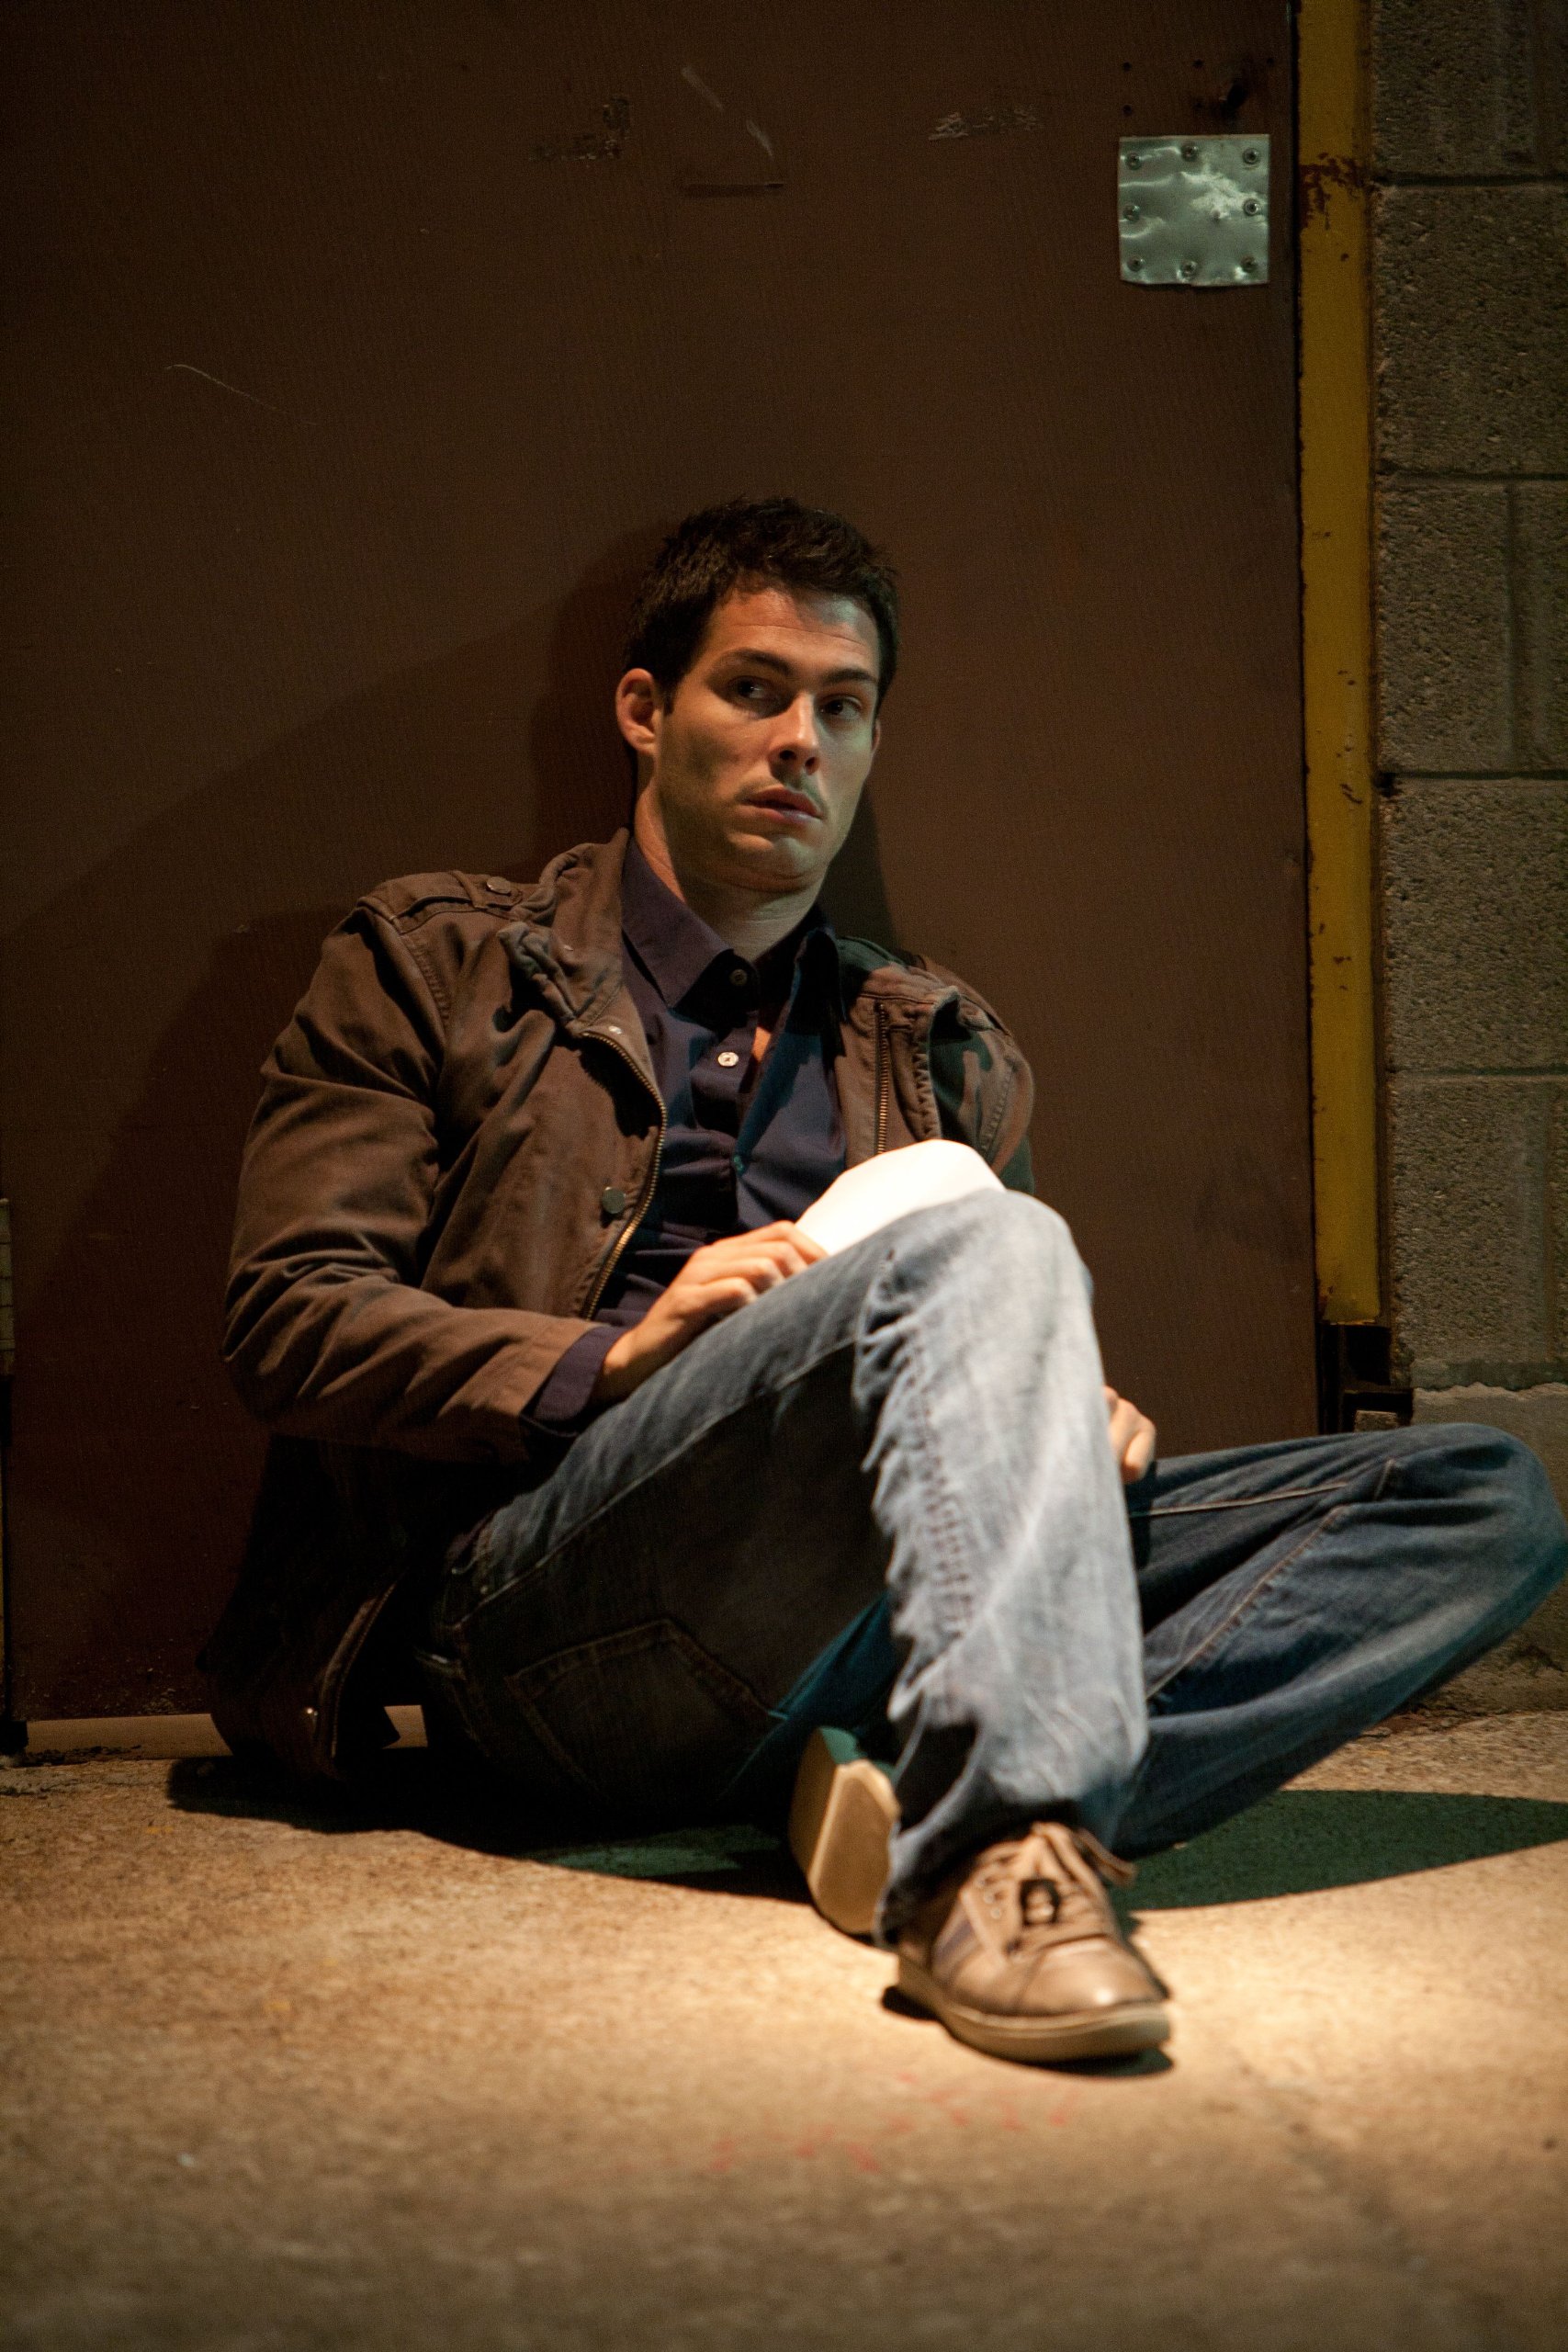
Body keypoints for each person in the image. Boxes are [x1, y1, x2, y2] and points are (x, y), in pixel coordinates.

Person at [211, 496, 1567, 2067]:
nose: (803, 741)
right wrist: (610, 1358)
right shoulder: (435, 962)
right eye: (755, 691)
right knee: (984, 1242)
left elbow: (975, 1337)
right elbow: (287, 1314)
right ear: (646, 711)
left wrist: (1062, 1410)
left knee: (1479, 1502)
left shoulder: (940, 1044)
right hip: (538, 1620)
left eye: (844, 709)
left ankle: (895, 1786)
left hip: (862, 1620)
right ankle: (993, 1857)